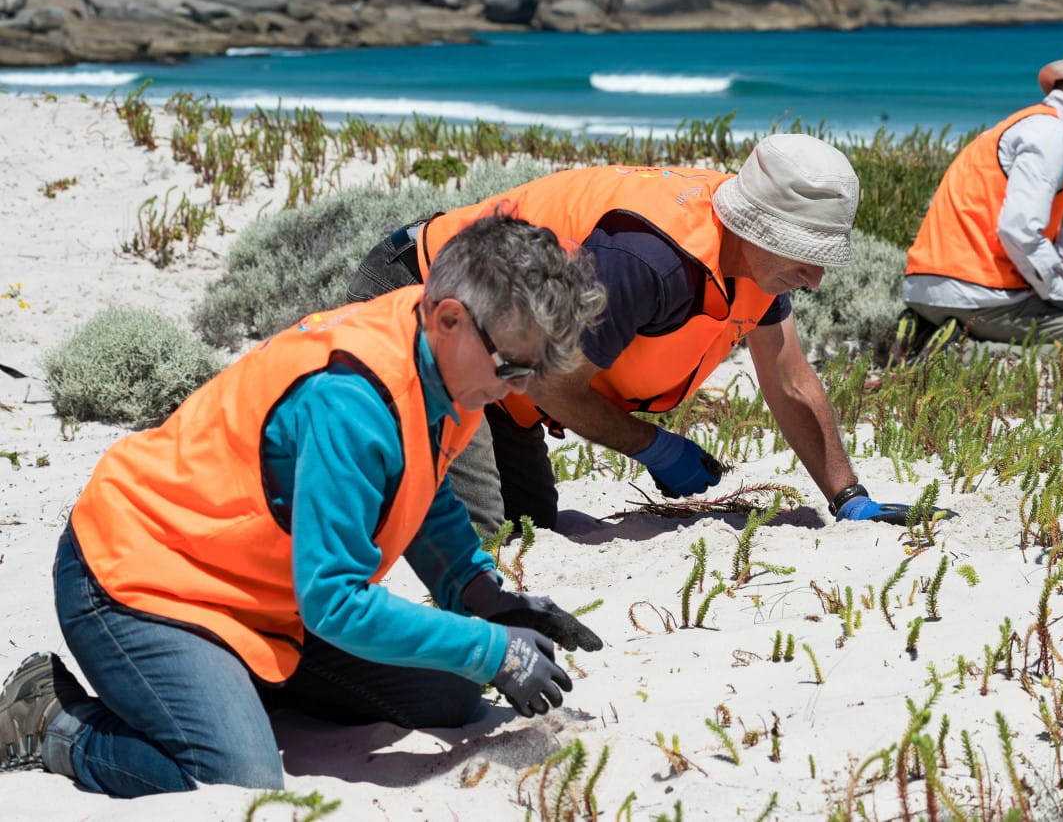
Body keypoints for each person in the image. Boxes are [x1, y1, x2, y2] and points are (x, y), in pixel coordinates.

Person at [0, 214, 608, 796]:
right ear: (449, 317)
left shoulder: (442, 351)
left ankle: (237, 686)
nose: (520, 388)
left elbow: (423, 491)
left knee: (451, 694)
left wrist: (485, 597)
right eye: (514, 366)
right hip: (140, 579)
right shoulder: (354, 397)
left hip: (266, 593)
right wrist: (489, 649)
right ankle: (49, 719)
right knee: (235, 782)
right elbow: (336, 601)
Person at [348, 134, 926, 531]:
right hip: (427, 306)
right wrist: (654, 447)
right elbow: (553, 386)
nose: (816, 276)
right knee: (481, 534)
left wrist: (848, 497)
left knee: (531, 523)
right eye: (803, 255)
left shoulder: (759, 263)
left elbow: (789, 379)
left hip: (510, 365)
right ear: (752, 226)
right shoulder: (648, 260)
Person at [896, 48, 1063, 358]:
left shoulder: (1018, 126)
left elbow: (1052, 239)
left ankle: (928, 330)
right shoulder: (1051, 134)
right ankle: (961, 354)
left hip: (924, 290)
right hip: (979, 294)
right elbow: (1019, 230)